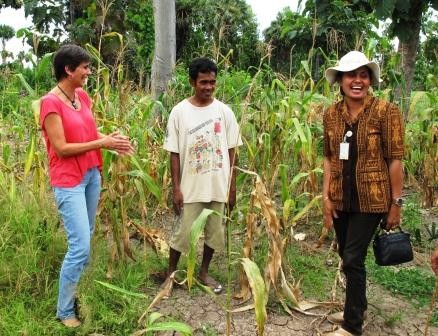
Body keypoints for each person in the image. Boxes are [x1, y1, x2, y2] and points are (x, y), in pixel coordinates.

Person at [39, 44, 133, 328]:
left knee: (86, 236)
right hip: (68, 180)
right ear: (68, 70)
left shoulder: (81, 96)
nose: (89, 72)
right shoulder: (50, 103)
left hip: (91, 174)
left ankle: (80, 288)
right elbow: (62, 147)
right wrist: (102, 143)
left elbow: (89, 132)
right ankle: (65, 310)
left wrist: (112, 142)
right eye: (84, 68)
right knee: (79, 246)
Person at [322, 51, 405, 336]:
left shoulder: (386, 111)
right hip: (341, 197)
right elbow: (329, 157)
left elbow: (395, 160)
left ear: (370, 80)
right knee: (348, 255)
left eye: (363, 75)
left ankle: (352, 326)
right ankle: (355, 305)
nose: (357, 81)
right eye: (351, 75)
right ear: (341, 80)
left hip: (372, 199)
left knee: (353, 259)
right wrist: (326, 197)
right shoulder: (331, 115)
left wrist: (396, 203)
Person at [162, 57, 242, 296]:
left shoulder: (224, 112)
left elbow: (232, 152)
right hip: (190, 187)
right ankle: (171, 273)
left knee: (214, 233)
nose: (208, 87)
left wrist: (232, 187)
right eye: (203, 82)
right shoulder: (179, 112)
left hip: (217, 186)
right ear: (192, 82)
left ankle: (204, 272)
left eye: (212, 82)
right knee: (182, 233)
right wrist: (176, 188)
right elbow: (174, 154)